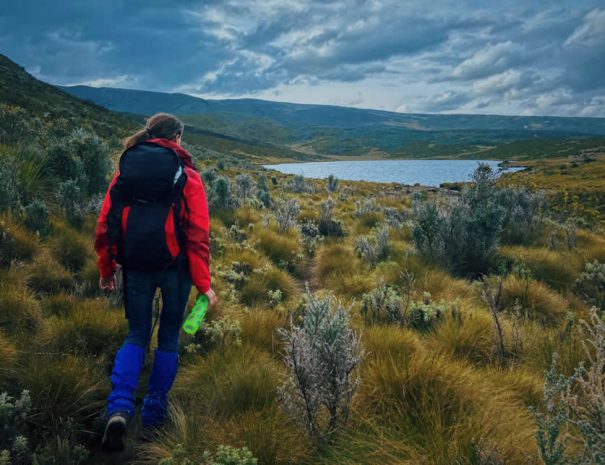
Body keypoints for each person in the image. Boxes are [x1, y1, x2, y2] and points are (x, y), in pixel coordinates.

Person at [94, 113, 216, 452]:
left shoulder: (126, 170)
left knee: (136, 334)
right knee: (168, 338)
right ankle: (153, 416)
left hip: (134, 265)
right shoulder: (187, 175)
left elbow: (105, 224)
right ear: (177, 138)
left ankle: (119, 408)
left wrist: (107, 269)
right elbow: (198, 234)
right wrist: (204, 283)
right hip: (175, 270)